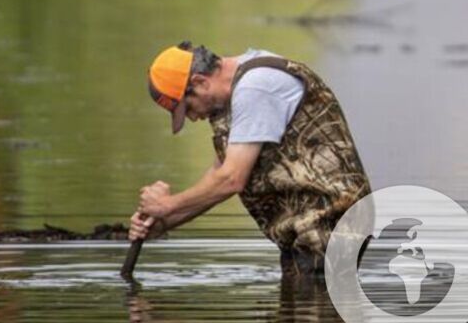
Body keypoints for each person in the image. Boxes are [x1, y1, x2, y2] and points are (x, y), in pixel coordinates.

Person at [131, 41, 371, 287]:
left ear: (200, 82)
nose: (192, 117)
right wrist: (164, 222)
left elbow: (232, 179)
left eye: (188, 107)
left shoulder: (255, 88)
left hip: (332, 222)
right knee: (301, 306)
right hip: (310, 226)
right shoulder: (242, 88)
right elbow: (220, 172)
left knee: (315, 304)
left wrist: (167, 205)